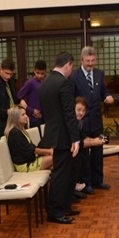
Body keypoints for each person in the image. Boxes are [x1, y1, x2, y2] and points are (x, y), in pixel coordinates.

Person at [39, 52, 80, 224]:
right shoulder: (64, 83)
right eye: (72, 66)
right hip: (64, 136)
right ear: (68, 65)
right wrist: (75, 139)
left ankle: (65, 206)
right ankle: (55, 211)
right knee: (61, 174)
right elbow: (69, 114)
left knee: (69, 171)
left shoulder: (45, 83)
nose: (71, 70)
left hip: (53, 133)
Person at [69, 47, 114, 194]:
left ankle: (98, 181)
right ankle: (86, 183)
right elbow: (71, 98)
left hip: (97, 121)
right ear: (81, 60)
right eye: (87, 61)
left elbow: (103, 91)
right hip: (82, 122)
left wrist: (107, 97)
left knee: (98, 152)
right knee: (84, 156)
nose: (90, 64)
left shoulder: (100, 74)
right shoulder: (74, 76)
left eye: (93, 61)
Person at [73, 97, 109, 195]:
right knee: (82, 154)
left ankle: (87, 184)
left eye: (83, 111)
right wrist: (94, 142)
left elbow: (83, 138)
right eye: (79, 110)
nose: (81, 113)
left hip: (76, 147)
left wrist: (97, 140)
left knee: (88, 154)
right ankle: (79, 186)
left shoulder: (80, 122)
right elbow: (77, 142)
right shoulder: (71, 123)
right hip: (66, 150)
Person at [5, 106, 53, 172]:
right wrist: (49, 151)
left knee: (54, 166)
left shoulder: (20, 130)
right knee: (56, 158)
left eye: (25, 114)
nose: (26, 116)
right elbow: (31, 150)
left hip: (30, 160)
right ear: (16, 118)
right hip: (25, 165)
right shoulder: (14, 133)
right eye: (23, 115)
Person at [0, 59, 21, 137]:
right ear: (0, 69)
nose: (8, 76)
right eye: (6, 73)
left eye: (11, 74)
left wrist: (21, 100)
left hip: (14, 119)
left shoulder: (11, 80)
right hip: (1, 122)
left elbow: (13, 97)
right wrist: (6, 112)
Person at [17, 60, 46, 128]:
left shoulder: (46, 81)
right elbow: (18, 97)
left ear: (45, 71)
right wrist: (31, 110)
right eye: (37, 73)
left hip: (44, 116)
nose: (40, 76)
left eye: (42, 74)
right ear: (34, 70)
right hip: (34, 118)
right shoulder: (30, 82)